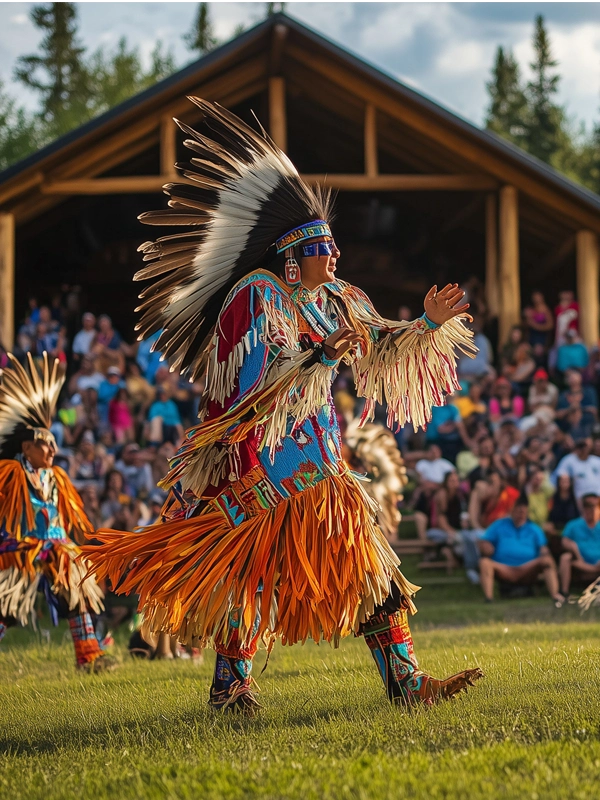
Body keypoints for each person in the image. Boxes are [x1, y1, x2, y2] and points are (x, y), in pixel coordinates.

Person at [82, 99, 482, 712]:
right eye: (327, 246)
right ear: (294, 253)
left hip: (321, 463)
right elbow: (250, 385)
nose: (338, 257)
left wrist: (427, 323)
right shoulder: (256, 294)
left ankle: (405, 683)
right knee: (247, 574)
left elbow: (377, 341)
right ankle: (231, 686)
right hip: (259, 461)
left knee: (368, 562)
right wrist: (319, 357)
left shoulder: (338, 297)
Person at [0, 353, 114, 671]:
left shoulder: (56, 477)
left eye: (53, 443)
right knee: (6, 608)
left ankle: (89, 657)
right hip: (18, 550)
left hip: (55, 547)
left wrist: (66, 548)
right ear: (25, 448)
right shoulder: (9, 473)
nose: (52, 449)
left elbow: (60, 518)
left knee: (77, 593)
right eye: (44, 443)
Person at [478, 496, 562, 604]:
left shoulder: (534, 528)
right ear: (512, 511)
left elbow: (543, 547)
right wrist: (486, 546)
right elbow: (484, 541)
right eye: (518, 511)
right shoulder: (499, 525)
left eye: (523, 512)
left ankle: (556, 596)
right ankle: (489, 599)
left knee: (547, 561)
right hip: (504, 568)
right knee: (484, 563)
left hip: (528, 569)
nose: (520, 515)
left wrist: (544, 552)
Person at [559, 494, 600, 597]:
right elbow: (564, 541)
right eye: (588, 507)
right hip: (580, 562)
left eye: (594, 507)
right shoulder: (573, 525)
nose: (591, 511)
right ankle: (564, 593)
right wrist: (574, 549)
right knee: (565, 558)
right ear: (584, 509)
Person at [554, 439, 600, 503]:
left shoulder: (596, 461)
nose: (583, 450)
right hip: (578, 499)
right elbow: (559, 476)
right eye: (581, 447)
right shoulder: (569, 460)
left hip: (597, 497)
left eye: (585, 447)